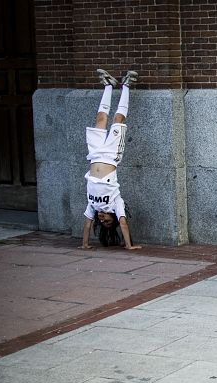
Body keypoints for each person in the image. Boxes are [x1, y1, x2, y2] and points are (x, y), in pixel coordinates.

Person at [79, 68, 141, 250]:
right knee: (118, 120)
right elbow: (124, 224)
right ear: (112, 218)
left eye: (102, 222)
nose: (102, 219)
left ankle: (108, 85)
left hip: (95, 155)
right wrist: (129, 246)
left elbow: (87, 224)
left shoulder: (93, 207)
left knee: (100, 120)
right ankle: (126, 85)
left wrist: (84, 244)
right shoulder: (116, 204)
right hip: (112, 156)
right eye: (107, 222)